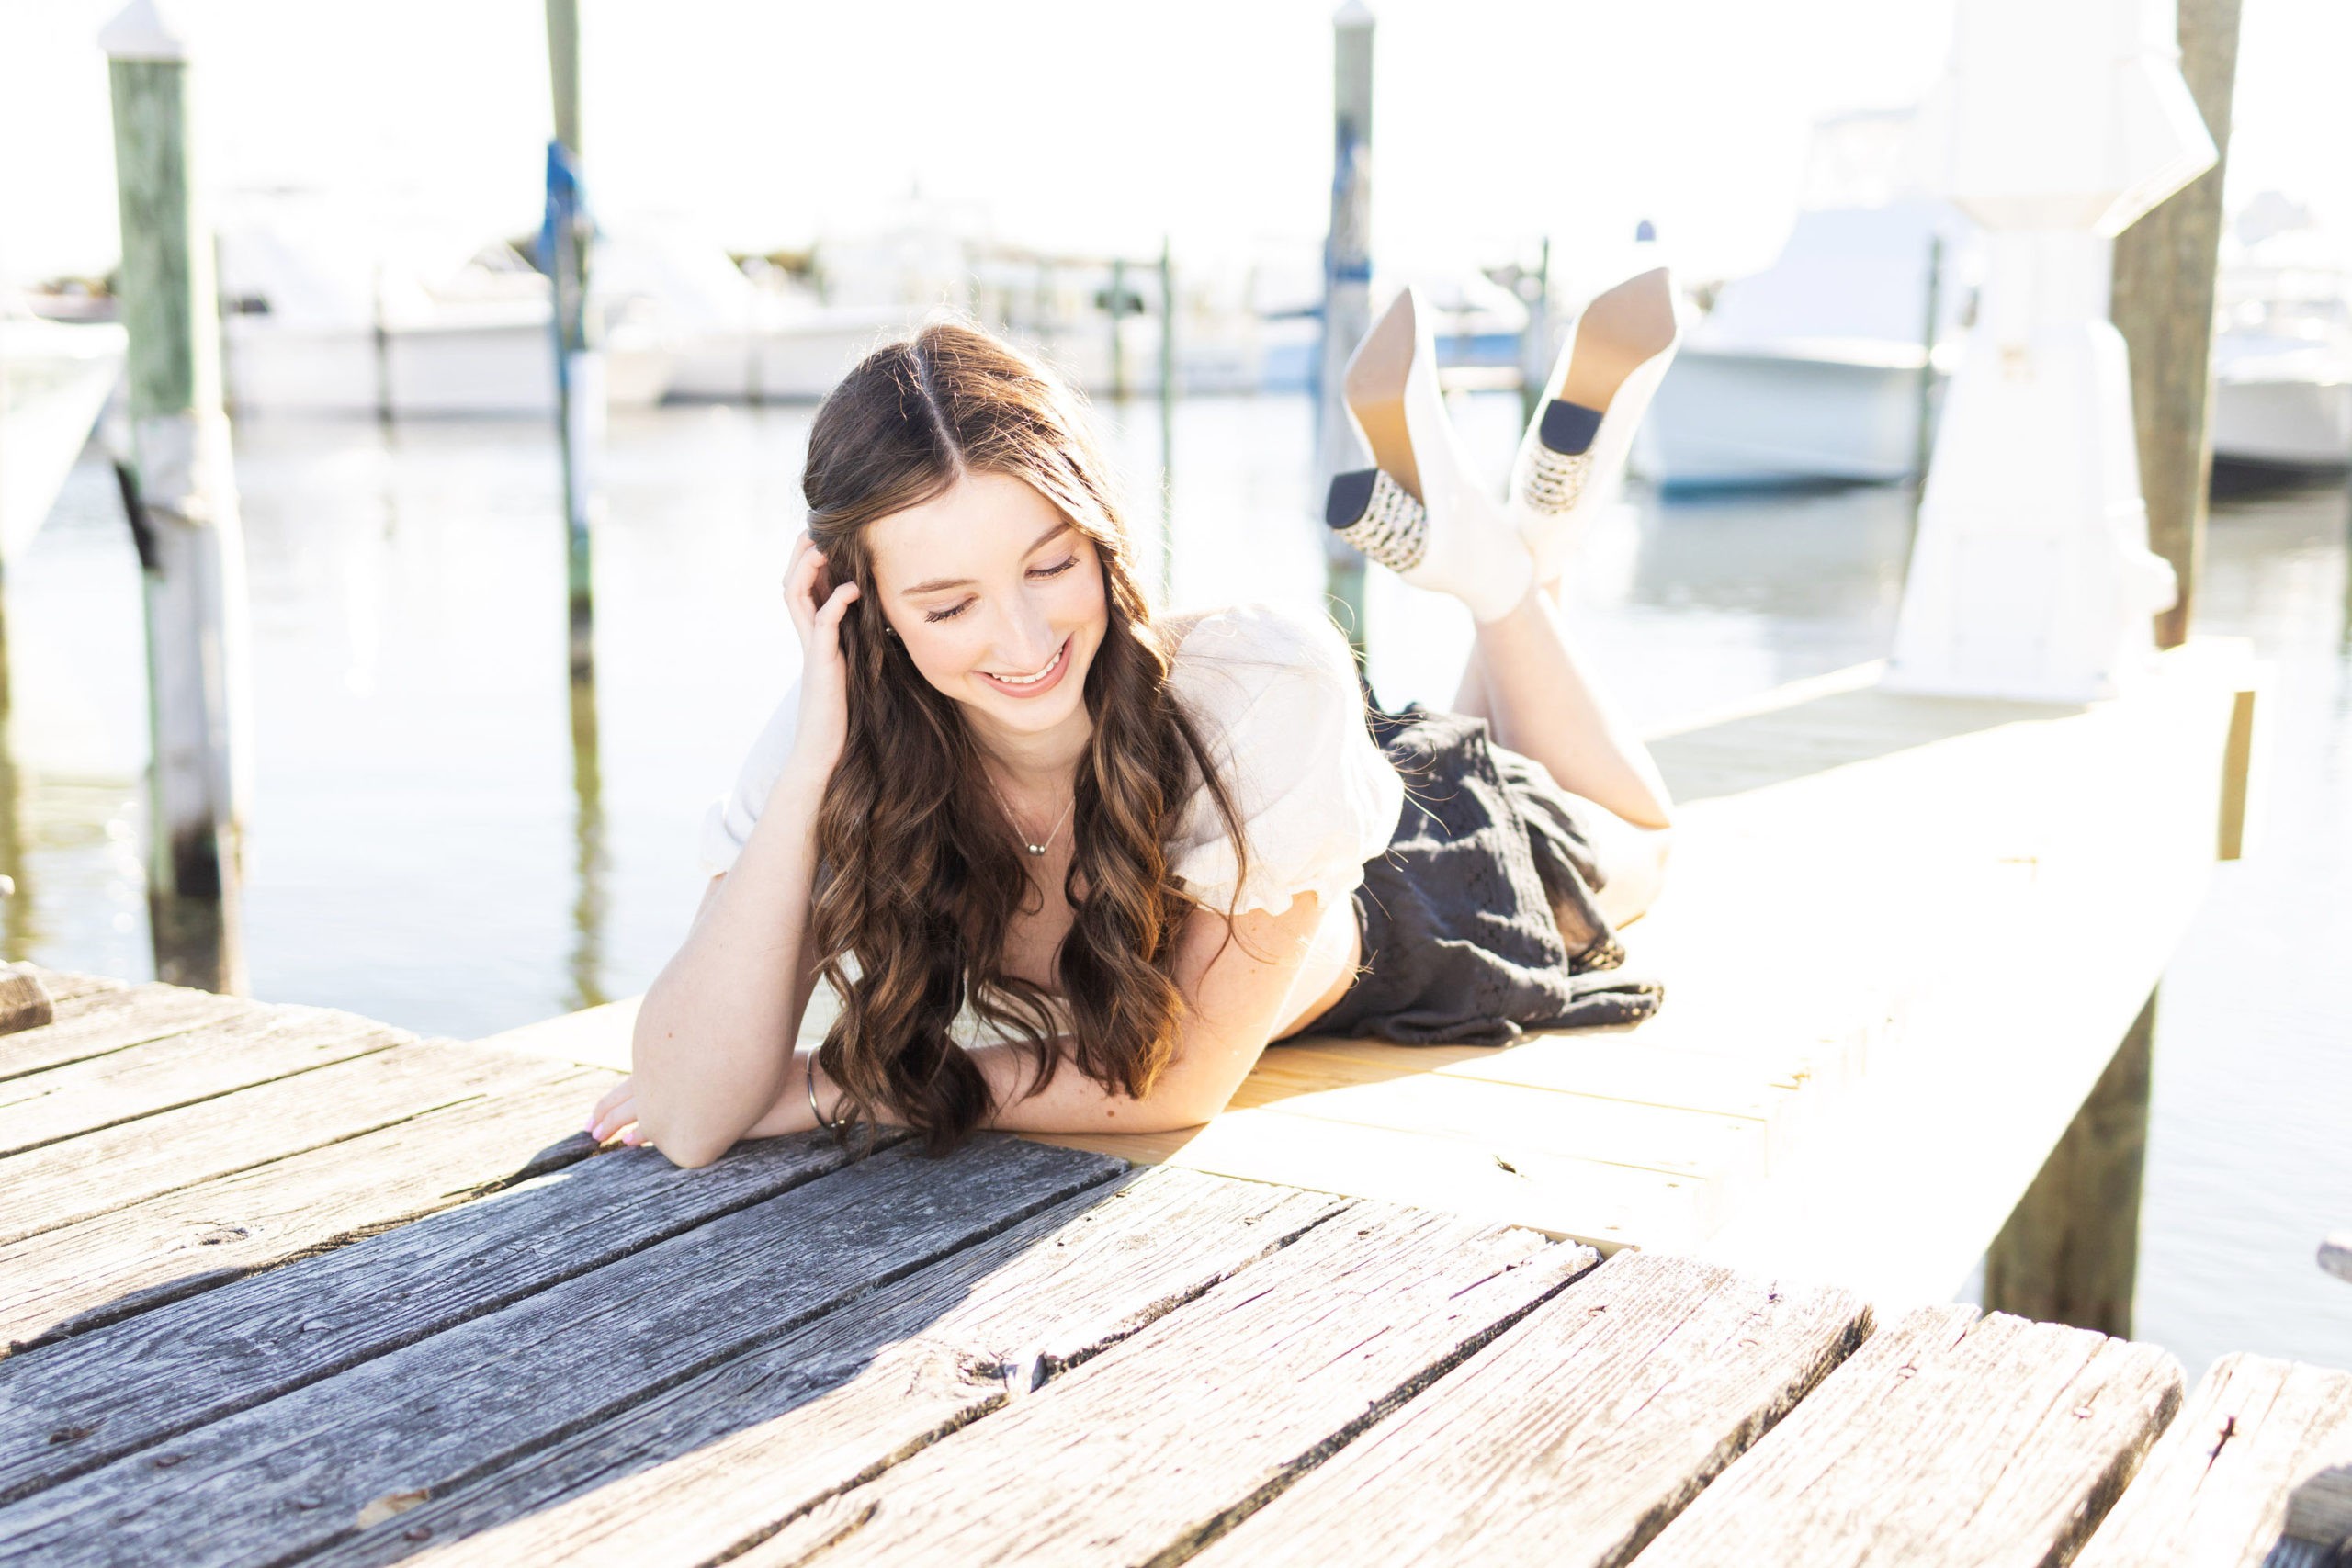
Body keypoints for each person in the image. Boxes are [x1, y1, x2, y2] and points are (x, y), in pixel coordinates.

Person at [587, 306, 1676, 1167]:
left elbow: (1175, 1084)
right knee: (1494, 725)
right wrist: (814, 764)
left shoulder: (1262, 683)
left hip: (1407, 885)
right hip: (1287, 769)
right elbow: (687, 1115)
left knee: (1642, 840)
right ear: (856, 605)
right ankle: (1521, 550)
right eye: (948, 606)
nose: (1021, 644)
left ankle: (1502, 582)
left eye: (1051, 566)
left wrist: (838, 1082)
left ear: (1104, 532)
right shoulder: (828, 729)